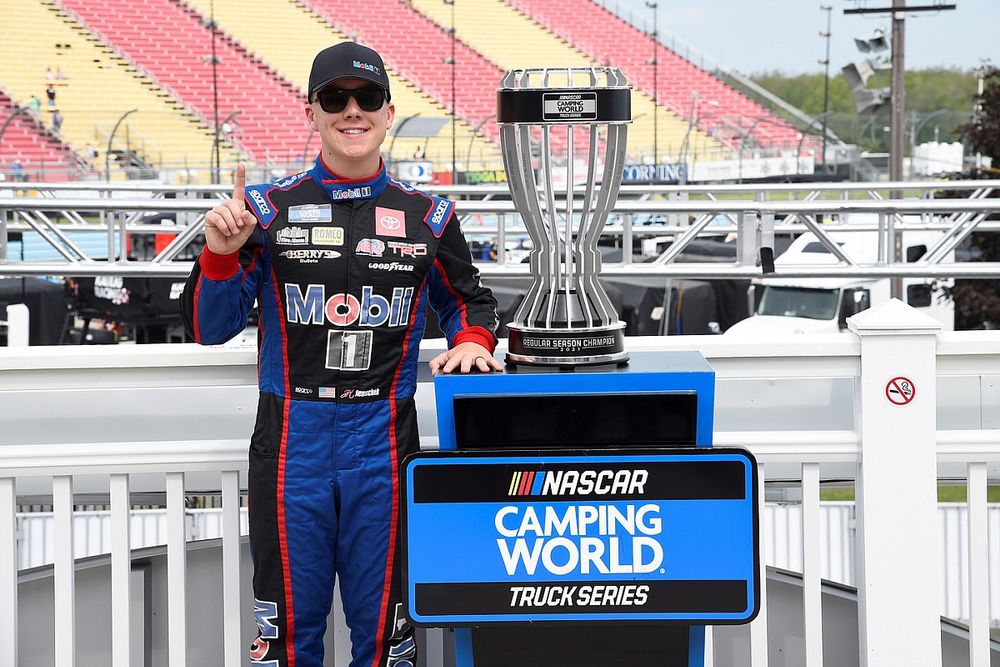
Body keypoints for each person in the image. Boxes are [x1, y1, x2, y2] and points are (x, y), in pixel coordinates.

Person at [179, 41, 502, 667]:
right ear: (311, 111)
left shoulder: (429, 215)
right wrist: (220, 251)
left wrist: (471, 342)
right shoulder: (265, 211)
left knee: (386, 642)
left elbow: (471, 302)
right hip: (290, 438)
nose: (351, 111)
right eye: (335, 98)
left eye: (367, 99)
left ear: (387, 112)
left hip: (384, 438)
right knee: (284, 645)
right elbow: (206, 327)